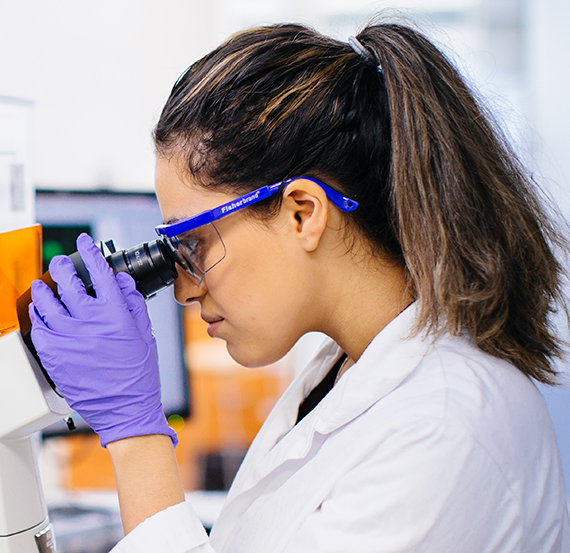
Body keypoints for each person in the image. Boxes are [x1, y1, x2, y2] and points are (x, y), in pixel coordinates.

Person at [28, 22, 570, 552]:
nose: (183, 291)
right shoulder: (345, 369)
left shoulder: (445, 427)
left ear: (302, 214)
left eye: (193, 244)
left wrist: (136, 438)